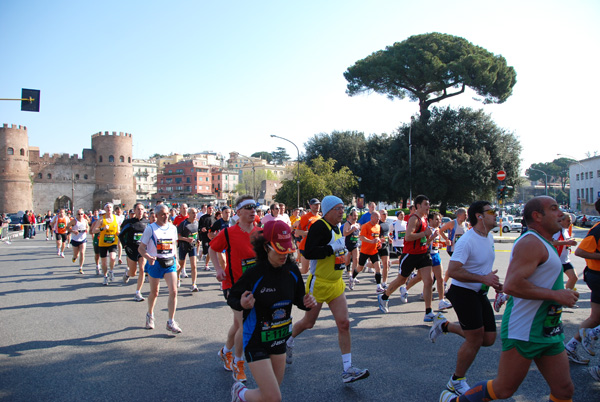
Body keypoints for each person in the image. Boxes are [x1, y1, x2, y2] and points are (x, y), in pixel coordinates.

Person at [439, 196, 579, 402]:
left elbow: (516, 281)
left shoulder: (533, 240)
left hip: (549, 327)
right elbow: (455, 270)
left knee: (564, 390)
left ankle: (446, 330)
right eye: (554, 208)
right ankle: (455, 391)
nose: (561, 214)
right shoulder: (529, 242)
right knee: (502, 387)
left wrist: (497, 286)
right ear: (537, 216)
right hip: (523, 327)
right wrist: (557, 295)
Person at [228, 220, 316, 402]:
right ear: (266, 247)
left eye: (287, 249)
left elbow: (299, 299)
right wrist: (242, 304)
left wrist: (307, 302)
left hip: (279, 339)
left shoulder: (292, 271)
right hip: (256, 340)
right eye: (279, 250)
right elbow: (233, 297)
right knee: (274, 397)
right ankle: (240, 393)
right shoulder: (255, 273)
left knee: (269, 396)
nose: (284, 255)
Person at [286, 195, 370, 383]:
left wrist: (341, 254)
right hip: (319, 283)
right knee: (308, 323)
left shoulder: (337, 227)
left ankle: (348, 369)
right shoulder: (319, 226)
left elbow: (337, 250)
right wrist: (332, 249)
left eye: (343, 208)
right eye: (338, 208)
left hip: (336, 284)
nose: (342, 212)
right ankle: (288, 340)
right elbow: (309, 252)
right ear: (328, 210)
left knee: (344, 324)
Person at [428, 201, 500, 396]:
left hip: (479, 292)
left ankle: (444, 326)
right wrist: (483, 278)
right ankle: (456, 381)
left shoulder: (489, 237)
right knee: (475, 338)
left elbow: (481, 269)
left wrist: (493, 282)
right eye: (491, 211)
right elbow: (453, 271)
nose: (496, 214)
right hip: (463, 292)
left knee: (489, 338)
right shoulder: (468, 240)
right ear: (479, 216)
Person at [211, 195, 261, 383]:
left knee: (237, 323)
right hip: (233, 286)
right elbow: (212, 249)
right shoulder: (228, 233)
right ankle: (239, 365)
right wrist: (217, 269)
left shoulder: (260, 233)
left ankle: (226, 352)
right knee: (243, 325)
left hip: (254, 286)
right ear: (238, 212)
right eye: (248, 207)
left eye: (254, 207)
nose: (252, 210)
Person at [377, 195, 435, 321]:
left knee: (429, 280)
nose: (428, 206)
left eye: (428, 204)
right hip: (410, 254)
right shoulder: (415, 219)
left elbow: (423, 239)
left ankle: (428, 311)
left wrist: (430, 237)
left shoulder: (424, 218)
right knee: (401, 280)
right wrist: (424, 233)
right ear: (418, 206)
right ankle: (384, 297)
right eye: (426, 204)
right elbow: (408, 237)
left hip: (423, 253)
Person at [564, 198, 600, 367]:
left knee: (595, 317)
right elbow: (581, 251)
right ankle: (592, 335)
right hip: (597, 276)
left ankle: (570, 346)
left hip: (595, 275)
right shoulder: (597, 230)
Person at [138, 204, 182, 334]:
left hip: (170, 262)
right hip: (155, 262)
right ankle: (150, 314)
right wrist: (148, 257)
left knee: (174, 291)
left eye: (167, 213)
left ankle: (171, 321)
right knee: (154, 292)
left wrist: (176, 258)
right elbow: (141, 248)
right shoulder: (150, 229)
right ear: (156, 215)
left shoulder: (173, 228)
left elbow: (174, 244)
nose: (166, 216)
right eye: (162, 214)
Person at [119, 203, 149, 302]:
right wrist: (125, 246)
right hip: (132, 248)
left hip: (142, 249)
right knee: (133, 272)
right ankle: (127, 273)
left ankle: (138, 292)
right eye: (138, 209)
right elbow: (121, 235)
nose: (140, 211)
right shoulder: (129, 222)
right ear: (134, 211)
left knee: (142, 269)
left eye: (142, 209)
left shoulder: (147, 222)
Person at [349, 211, 382, 293]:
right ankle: (352, 278)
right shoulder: (366, 226)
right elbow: (362, 237)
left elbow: (377, 237)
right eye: (377, 217)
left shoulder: (378, 226)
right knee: (360, 267)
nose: (378, 219)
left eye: (379, 217)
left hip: (374, 251)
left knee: (378, 267)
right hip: (365, 250)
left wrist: (379, 243)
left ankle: (379, 286)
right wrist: (371, 241)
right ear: (372, 217)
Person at [91, 203, 121, 285]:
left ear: (112, 209)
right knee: (104, 263)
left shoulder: (116, 218)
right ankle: (105, 276)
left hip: (113, 242)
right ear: (105, 209)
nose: (109, 208)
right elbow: (94, 230)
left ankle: (111, 271)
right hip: (103, 243)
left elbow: (117, 230)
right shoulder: (101, 219)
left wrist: (120, 233)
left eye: (110, 207)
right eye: (107, 207)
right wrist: (102, 228)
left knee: (112, 258)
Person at [552, 213, 578, 291]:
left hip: (565, 260)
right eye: (568, 221)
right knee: (555, 282)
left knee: (574, 277)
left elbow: (566, 241)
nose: (570, 223)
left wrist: (570, 242)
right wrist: (567, 242)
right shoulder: (556, 230)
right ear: (561, 221)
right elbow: (552, 242)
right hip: (556, 260)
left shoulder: (565, 230)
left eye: (570, 221)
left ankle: (568, 294)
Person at [177, 207, 199, 292]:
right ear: (189, 214)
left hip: (192, 246)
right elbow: (178, 236)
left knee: (194, 266)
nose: (195, 215)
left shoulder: (197, 223)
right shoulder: (183, 224)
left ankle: (194, 284)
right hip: (183, 246)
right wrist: (186, 239)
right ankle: (178, 278)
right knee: (181, 264)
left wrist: (198, 240)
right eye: (193, 213)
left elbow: (196, 234)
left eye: (196, 213)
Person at [296, 198, 321, 274]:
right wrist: (310, 233)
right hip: (306, 246)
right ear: (310, 206)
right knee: (304, 270)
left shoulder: (320, 218)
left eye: (318, 204)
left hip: (317, 246)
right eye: (315, 204)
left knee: (316, 270)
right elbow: (297, 232)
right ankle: (289, 272)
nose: (317, 206)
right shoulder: (305, 217)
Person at [66, 209, 89, 274]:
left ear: (83, 214)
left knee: (82, 253)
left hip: (83, 239)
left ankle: (80, 268)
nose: (80, 215)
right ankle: (74, 257)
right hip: (75, 239)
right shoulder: (73, 221)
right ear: (76, 215)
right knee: (76, 255)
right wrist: (73, 231)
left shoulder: (85, 221)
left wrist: (87, 229)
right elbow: (67, 228)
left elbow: (87, 227)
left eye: (81, 214)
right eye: (78, 214)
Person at [343, 208, 361, 278]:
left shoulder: (358, 225)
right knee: (347, 261)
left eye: (356, 216)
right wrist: (352, 230)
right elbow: (345, 233)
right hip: (348, 244)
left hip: (355, 244)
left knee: (356, 259)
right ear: (350, 216)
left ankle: (354, 276)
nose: (355, 217)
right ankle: (348, 270)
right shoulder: (347, 224)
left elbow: (358, 234)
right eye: (354, 215)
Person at [198, 204, 216, 270]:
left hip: (211, 236)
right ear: (207, 209)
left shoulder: (214, 218)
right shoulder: (203, 218)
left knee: (210, 250)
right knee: (206, 249)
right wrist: (202, 229)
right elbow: (199, 227)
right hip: (204, 236)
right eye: (209, 208)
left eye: (212, 208)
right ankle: (203, 252)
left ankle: (206, 265)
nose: (210, 209)